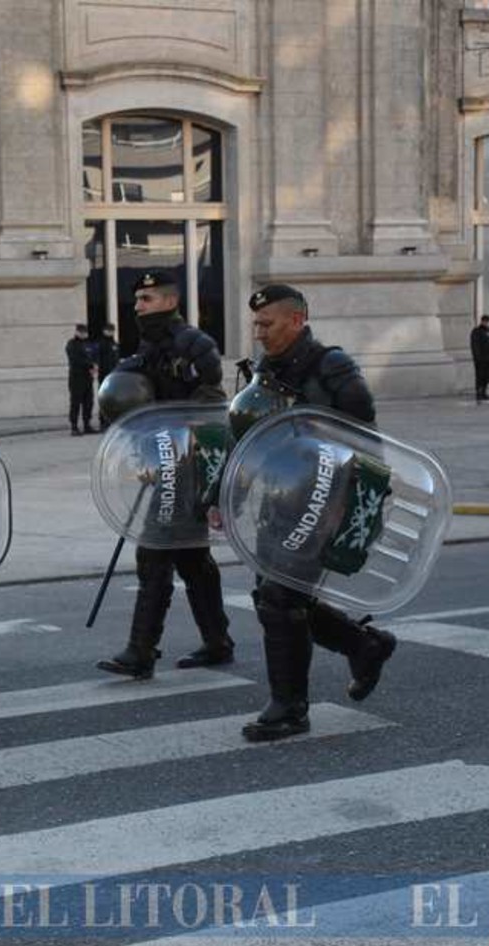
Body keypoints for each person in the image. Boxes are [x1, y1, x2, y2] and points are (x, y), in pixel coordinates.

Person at [239, 284, 397, 742]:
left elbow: (364, 440)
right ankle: (365, 646)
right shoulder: (262, 372)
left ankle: (289, 708)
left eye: (267, 324)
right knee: (278, 598)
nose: (259, 332)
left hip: (325, 499)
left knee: (281, 600)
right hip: (281, 497)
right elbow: (247, 438)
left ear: (297, 320)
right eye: (255, 324)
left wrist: (345, 510)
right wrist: (226, 495)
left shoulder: (333, 367)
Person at [95, 270, 234, 681]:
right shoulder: (146, 347)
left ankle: (141, 651)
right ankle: (217, 640)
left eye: (148, 299)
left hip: (187, 467)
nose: (138, 307)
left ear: (171, 301)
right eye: (137, 300)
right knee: (192, 559)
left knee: (154, 554)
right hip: (163, 465)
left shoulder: (195, 345)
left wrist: (183, 443)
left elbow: (212, 404)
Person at [65, 323, 97, 436]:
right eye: (81, 332)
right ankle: (74, 427)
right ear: (77, 332)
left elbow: (93, 356)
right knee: (75, 403)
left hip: (88, 378)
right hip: (76, 378)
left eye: (85, 332)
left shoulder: (88, 344)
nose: (83, 334)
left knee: (88, 402)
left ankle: (87, 424)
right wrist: (90, 365)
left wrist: (93, 365)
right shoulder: (72, 344)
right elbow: (75, 360)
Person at [470, 314, 489, 402]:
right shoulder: (476, 331)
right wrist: (477, 357)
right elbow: (475, 345)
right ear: (482, 321)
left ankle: (484, 392)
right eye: (484, 321)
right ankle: (479, 393)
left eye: (487, 321)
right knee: (480, 376)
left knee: (487, 376)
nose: (486, 323)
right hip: (480, 359)